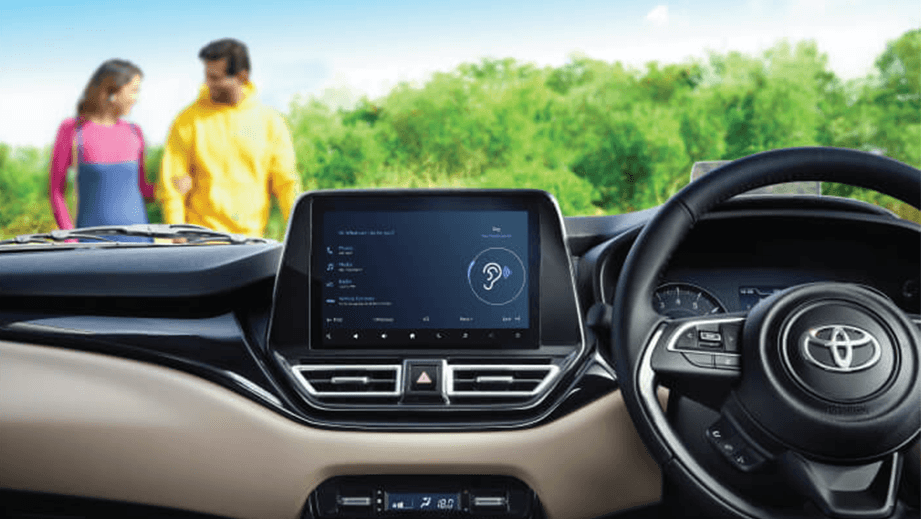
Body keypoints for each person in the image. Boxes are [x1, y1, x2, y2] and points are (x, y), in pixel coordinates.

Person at [159, 38, 301, 237]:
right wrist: (176, 232)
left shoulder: (270, 122)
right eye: (207, 76)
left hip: (251, 240)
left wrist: (301, 232)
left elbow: (286, 183)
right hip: (200, 240)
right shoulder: (187, 121)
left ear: (242, 76)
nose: (208, 83)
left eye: (215, 78)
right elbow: (172, 183)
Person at [49, 59, 155, 242]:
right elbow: (56, 191)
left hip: (140, 242)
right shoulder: (73, 130)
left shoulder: (134, 132)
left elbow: (143, 189)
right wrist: (70, 238)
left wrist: (173, 187)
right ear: (112, 91)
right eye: (133, 91)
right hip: (92, 244)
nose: (136, 99)